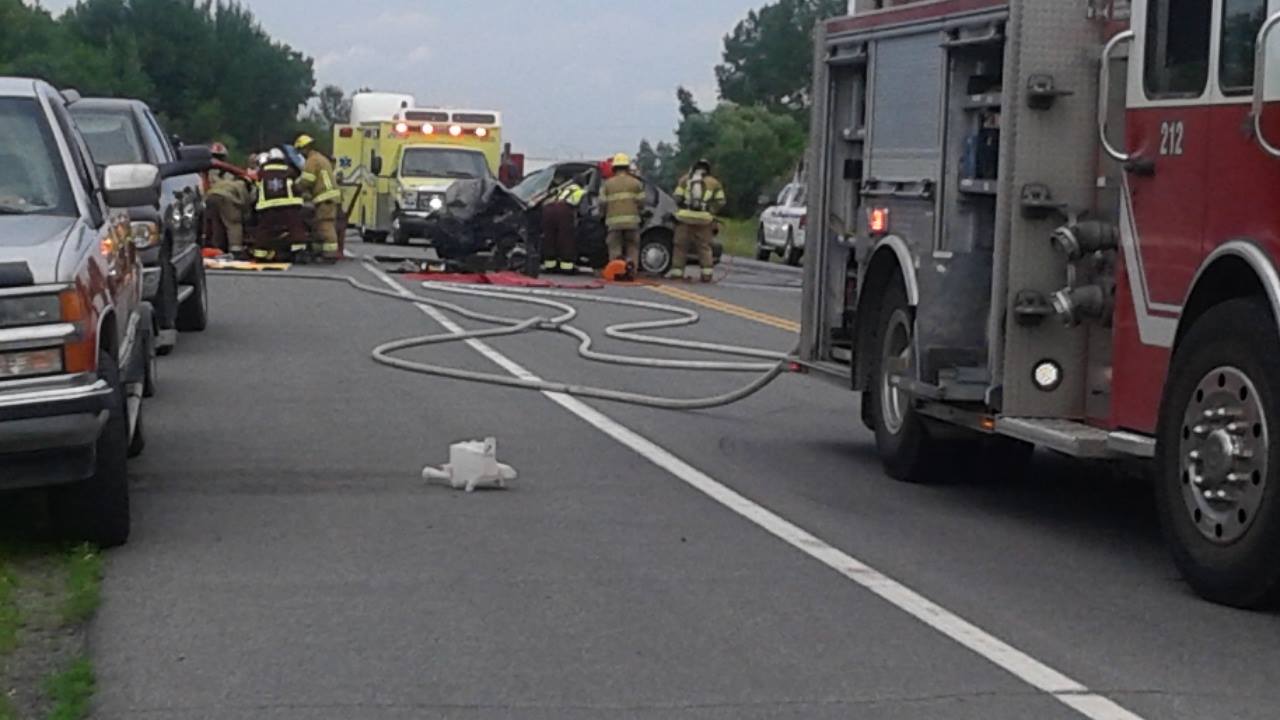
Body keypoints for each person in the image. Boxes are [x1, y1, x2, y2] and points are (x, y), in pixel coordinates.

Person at [670, 158, 726, 282]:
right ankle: (707, 275)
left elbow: (677, 197)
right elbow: (721, 201)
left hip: (684, 218)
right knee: (704, 247)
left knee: (680, 247)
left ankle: (677, 274)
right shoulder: (714, 183)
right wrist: (711, 210)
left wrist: (682, 207)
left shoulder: (684, 180)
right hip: (704, 220)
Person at [251, 148, 308, 262]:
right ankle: (299, 253)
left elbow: (257, 189)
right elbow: (297, 187)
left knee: (264, 231)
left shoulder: (262, 172)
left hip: (268, 207)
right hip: (289, 206)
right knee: (296, 228)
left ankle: (260, 254)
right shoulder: (289, 170)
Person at [294, 134, 342, 262]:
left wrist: (295, 187)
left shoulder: (312, 160)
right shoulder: (320, 158)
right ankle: (319, 252)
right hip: (327, 197)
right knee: (317, 225)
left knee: (325, 225)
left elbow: (307, 180)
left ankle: (330, 253)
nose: (300, 154)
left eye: (300, 150)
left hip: (325, 197)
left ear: (305, 148)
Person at [600, 153, 646, 276]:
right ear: (627, 167)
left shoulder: (608, 184)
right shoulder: (636, 183)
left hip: (613, 223)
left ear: (614, 168)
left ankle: (617, 272)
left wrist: (602, 214)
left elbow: (602, 203)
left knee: (615, 247)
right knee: (632, 247)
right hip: (632, 222)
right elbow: (642, 202)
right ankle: (631, 272)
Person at [540, 171, 586, 274]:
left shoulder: (563, 189)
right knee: (566, 239)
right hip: (564, 211)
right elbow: (584, 211)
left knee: (550, 237)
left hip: (548, 210)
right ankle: (567, 267)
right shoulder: (581, 192)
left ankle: (550, 266)